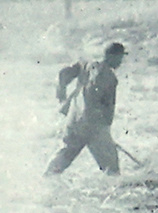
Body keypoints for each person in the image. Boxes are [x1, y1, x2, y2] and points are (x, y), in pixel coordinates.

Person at [46, 41, 126, 175]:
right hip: (92, 125)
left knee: (65, 155)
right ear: (112, 56)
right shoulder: (108, 76)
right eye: (120, 58)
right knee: (112, 169)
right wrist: (101, 130)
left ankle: (45, 179)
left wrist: (61, 91)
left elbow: (63, 73)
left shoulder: (87, 64)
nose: (121, 62)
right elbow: (94, 97)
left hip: (74, 120)